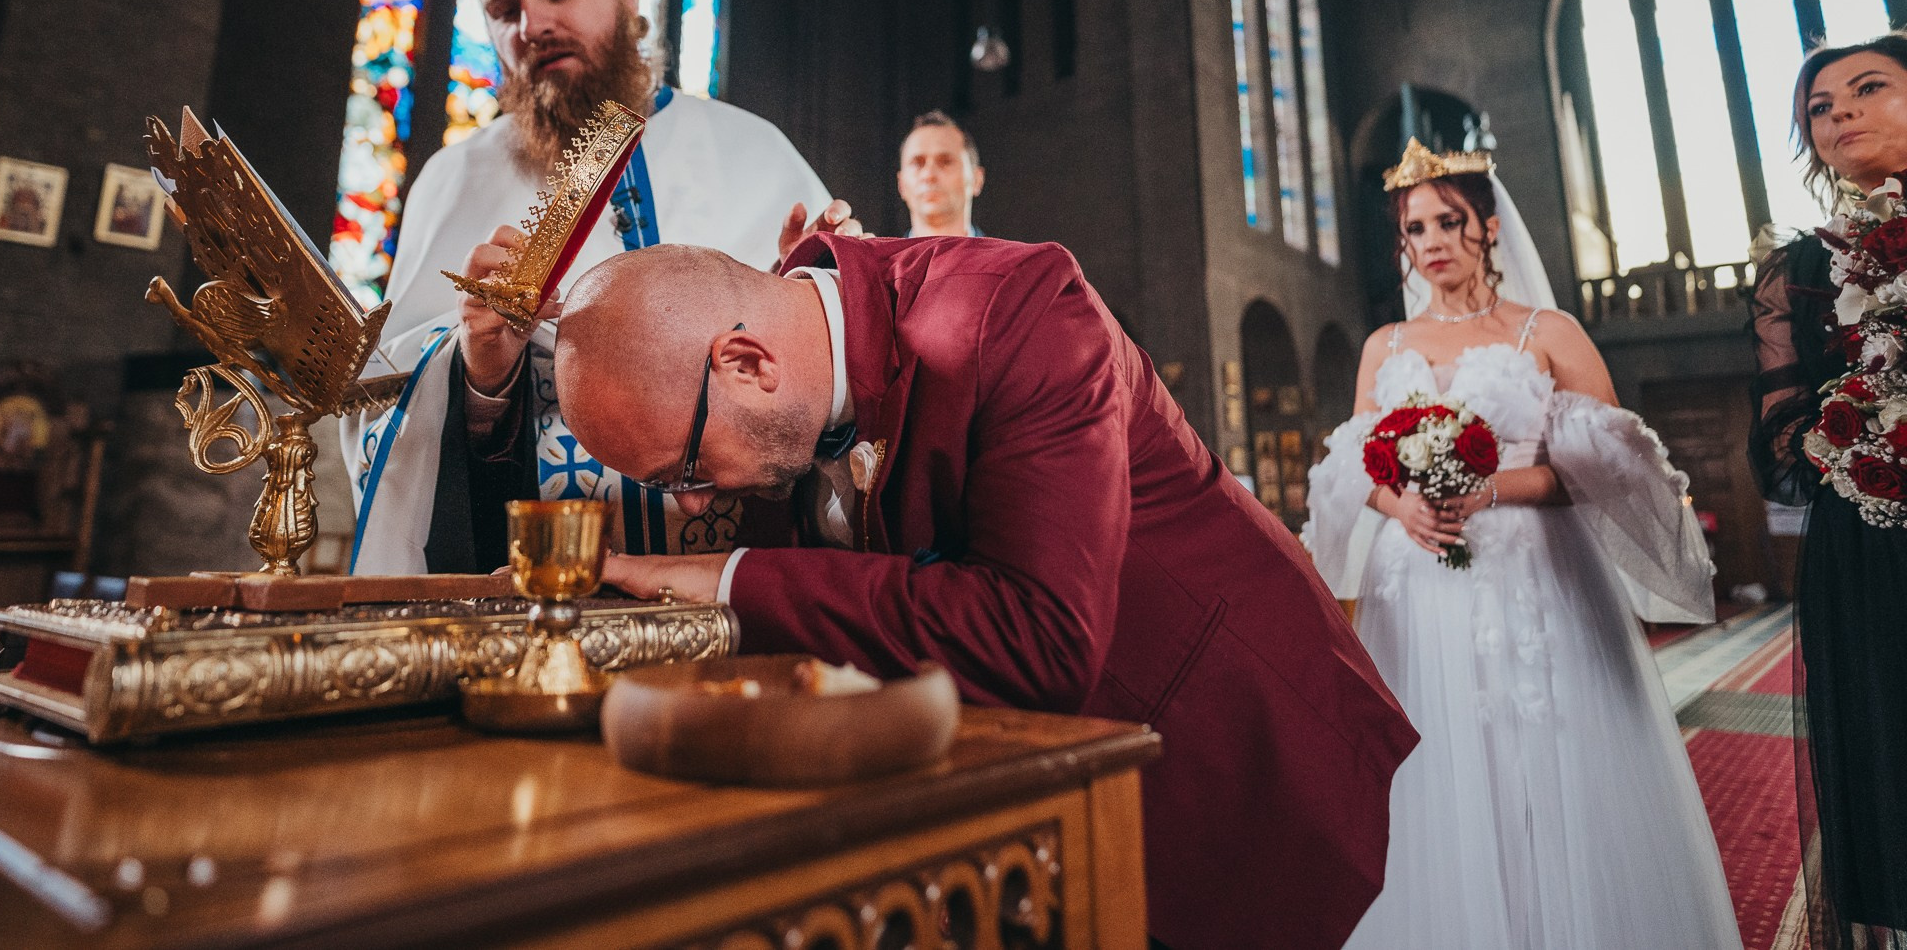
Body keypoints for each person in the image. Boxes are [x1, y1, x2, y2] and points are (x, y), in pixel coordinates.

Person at [549, 234, 1419, 950]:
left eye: (685, 469)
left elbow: (1042, 640)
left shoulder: (1019, 307)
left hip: (1220, 760)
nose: (697, 504)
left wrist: (729, 580)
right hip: (1027, 803)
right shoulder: (788, 372)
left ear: (746, 362)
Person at [1303, 139, 1738, 950]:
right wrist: (1400, 506)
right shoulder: (1385, 345)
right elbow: (1357, 460)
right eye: (1414, 227)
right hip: (1416, 581)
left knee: (1540, 750)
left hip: (1530, 572)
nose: (1430, 240)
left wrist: (1491, 487)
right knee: (1438, 764)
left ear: (1489, 225)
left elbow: (1604, 465)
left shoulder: (1549, 330)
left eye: (1448, 220)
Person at [343, 0, 854, 575]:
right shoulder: (452, 178)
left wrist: (802, 299)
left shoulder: (753, 148)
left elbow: (855, 378)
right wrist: (481, 376)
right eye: (504, 10)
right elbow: (381, 415)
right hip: (549, 589)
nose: (532, 24)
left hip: (741, 587)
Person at [1750, 33, 1907, 949]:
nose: (1839, 110)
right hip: (1870, 543)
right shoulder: (1801, 270)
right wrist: (1858, 434)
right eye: (1819, 105)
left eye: (1868, 87)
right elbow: (1781, 435)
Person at [896, 110, 983, 237]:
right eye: (917, 164)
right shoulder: (878, 257)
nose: (929, 175)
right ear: (901, 184)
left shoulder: (1013, 257)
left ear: (977, 179)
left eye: (946, 162)